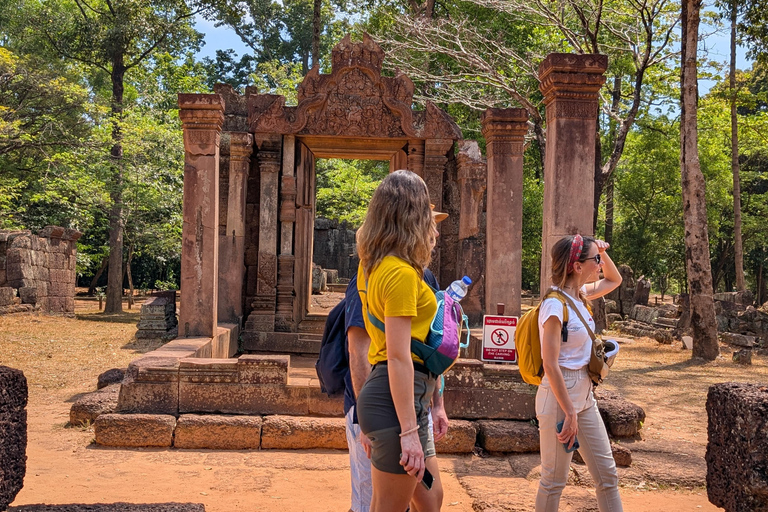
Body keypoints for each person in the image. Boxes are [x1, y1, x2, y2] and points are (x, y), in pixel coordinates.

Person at [344, 210, 449, 512]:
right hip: (394, 401)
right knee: (386, 505)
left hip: (412, 397)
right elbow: (390, 354)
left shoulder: (406, 272)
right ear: (410, 224)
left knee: (431, 498)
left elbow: (421, 347)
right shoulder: (398, 274)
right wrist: (407, 431)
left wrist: (436, 404)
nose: (436, 233)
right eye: (430, 224)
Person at [535, 234, 623, 512]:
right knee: (554, 480)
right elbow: (550, 364)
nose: (599, 265)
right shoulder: (554, 305)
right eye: (594, 260)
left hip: (584, 393)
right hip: (559, 394)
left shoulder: (580, 295)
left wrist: (602, 251)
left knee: (607, 474)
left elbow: (614, 280)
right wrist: (569, 412)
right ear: (576, 266)